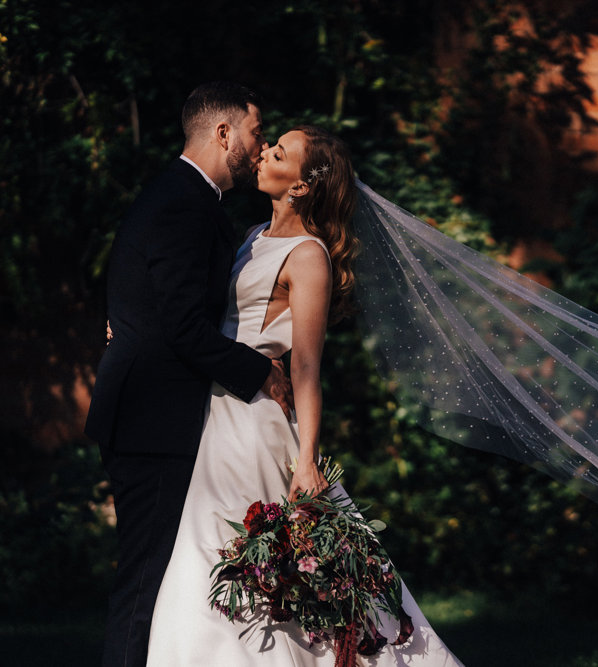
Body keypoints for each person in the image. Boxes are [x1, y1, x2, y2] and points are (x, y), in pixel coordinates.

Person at [145, 125, 463, 666]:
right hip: (216, 414)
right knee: (208, 559)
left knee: (246, 562)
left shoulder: (308, 256)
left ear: (301, 186)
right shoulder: (249, 237)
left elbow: (308, 366)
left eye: (280, 151)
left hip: (255, 426)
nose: (265, 151)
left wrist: (307, 461)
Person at [86, 81, 293, 667]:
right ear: (223, 133)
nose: (260, 146)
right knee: (144, 588)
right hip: (152, 423)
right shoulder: (183, 202)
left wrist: (124, 326)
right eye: (256, 132)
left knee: (157, 583)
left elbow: (142, 293)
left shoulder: (179, 195)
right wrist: (262, 372)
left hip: (153, 416)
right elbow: (183, 328)